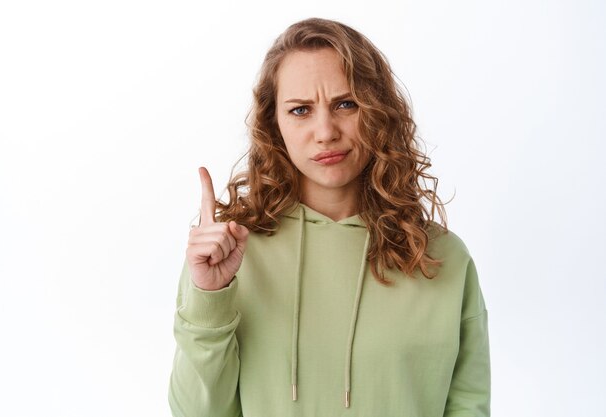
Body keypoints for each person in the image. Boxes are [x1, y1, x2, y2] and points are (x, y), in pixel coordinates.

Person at [168, 17, 490, 417]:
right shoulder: (230, 251)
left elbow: (468, 406)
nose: (325, 131)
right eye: (301, 110)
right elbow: (196, 412)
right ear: (275, 124)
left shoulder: (442, 258)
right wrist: (209, 298)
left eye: (345, 104)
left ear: (378, 111)